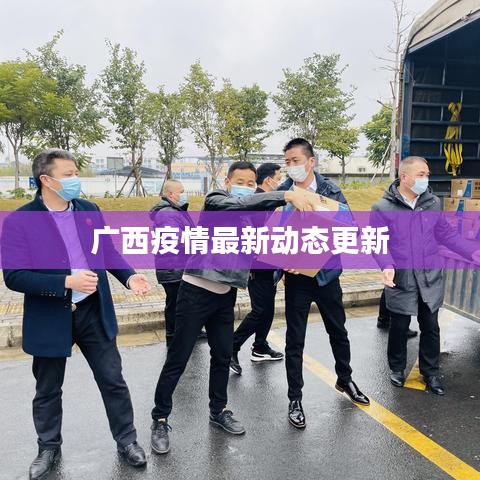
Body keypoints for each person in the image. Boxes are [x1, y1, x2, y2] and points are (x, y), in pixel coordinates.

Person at [149, 161, 321, 455]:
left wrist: (289, 260)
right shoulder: (215, 201)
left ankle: (218, 410)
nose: (245, 186)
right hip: (195, 291)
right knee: (178, 358)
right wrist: (285, 195)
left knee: (222, 356)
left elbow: (263, 247)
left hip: (225, 296)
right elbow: (239, 203)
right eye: (239, 181)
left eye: (250, 182)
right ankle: (160, 418)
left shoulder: (250, 218)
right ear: (227, 182)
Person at [1, 149, 151, 480]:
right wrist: (65, 282)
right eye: (68, 175)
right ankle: (48, 447)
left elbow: (107, 251)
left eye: (75, 173)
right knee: (48, 389)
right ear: (46, 180)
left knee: (113, 380)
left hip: (93, 311)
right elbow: (14, 276)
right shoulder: (20, 221)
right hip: (51, 316)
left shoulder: (89, 211)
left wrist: (130, 277)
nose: (75, 180)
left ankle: (127, 441)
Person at [277, 138, 370, 429]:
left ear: (311, 161)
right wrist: (281, 259)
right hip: (297, 279)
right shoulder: (283, 194)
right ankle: (295, 398)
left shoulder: (331, 191)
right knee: (295, 340)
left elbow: (350, 230)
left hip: (327, 275)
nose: (291, 166)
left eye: (296, 160)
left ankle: (345, 379)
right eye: (287, 162)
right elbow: (272, 235)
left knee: (338, 331)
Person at [371, 156, 480, 395]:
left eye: (427, 174)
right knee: (399, 326)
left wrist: (472, 251)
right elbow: (377, 243)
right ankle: (397, 368)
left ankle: (430, 373)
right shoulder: (382, 208)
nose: (425, 179)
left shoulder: (432, 203)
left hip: (429, 277)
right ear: (404, 177)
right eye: (421, 175)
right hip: (401, 278)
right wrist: (386, 264)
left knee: (430, 326)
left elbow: (446, 234)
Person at [230, 163, 284, 375]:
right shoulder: (258, 201)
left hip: (268, 266)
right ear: (269, 180)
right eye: (278, 178)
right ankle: (232, 346)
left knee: (267, 309)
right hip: (257, 266)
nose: (280, 182)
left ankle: (260, 346)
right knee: (260, 310)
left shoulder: (266, 201)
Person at [150, 179, 206, 347]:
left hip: (177, 266)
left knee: (185, 302)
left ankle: (190, 332)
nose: (184, 194)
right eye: (181, 191)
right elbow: (175, 239)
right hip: (173, 267)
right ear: (170, 194)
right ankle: (173, 336)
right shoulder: (168, 213)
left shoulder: (175, 211)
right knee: (175, 303)